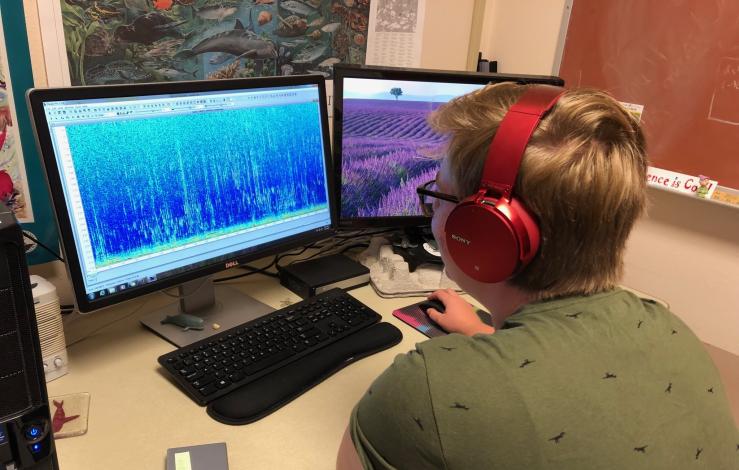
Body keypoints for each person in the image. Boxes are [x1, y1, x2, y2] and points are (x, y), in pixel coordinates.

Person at [336, 82, 738, 469]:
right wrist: (485, 336)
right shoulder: (669, 328)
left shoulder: (424, 391)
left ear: (484, 231)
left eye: (439, 196)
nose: (432, 211)